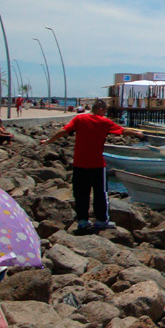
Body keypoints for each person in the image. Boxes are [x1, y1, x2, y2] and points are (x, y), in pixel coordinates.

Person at [40, 99, 144, 230]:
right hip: (96, 165)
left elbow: (63, 131)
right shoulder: (104, 122)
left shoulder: (79, 119)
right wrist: (137, 133)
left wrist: (48, 141)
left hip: (79, 163)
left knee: (80, 194)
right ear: (100, 109)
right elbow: (122, 131)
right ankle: (101, 220)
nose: (105, 113)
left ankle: (82, 220)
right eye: (105, 111)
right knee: (100, 193)